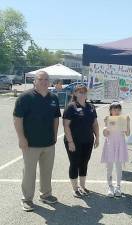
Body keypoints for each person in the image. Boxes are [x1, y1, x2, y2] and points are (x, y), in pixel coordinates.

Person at [13, 71, 61, 212]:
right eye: (41, 79)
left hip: (48, 143)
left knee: (47, 171)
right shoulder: (25, 97)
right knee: (29, 173)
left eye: (47, 79)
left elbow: (56, 118)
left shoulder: (53, 98)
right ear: (35, 81)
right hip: (30, 144)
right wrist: (21, 138)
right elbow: (17, 119)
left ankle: (45, 195)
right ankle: (27, 199)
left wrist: (55, 135)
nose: (44, 81)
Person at [63, 85, 99, 198]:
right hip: (74, 141)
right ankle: (75, 188)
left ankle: (83, 186)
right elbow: (66, 125)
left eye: (84, 92)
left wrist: (97, 137)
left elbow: (95, 124)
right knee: (74, 163)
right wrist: (70, 142)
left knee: (84, 163)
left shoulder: (91, 106)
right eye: (80, 92)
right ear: (75, 93)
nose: (82, 94)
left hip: (88, 140)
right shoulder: (71, 107)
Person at [101, 101, 130, 197]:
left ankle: (118, 187)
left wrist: (128, 122)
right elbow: (105, 134)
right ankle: (110, 187)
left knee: (119, 167)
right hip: (110, 146)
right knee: (109, 167)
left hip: (120, 145)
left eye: (118, 109)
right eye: (114, 109)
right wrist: (105, 126)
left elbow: (128, 133)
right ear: (110, 111)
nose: (116, 111)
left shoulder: (122, 120)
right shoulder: (108, 120)